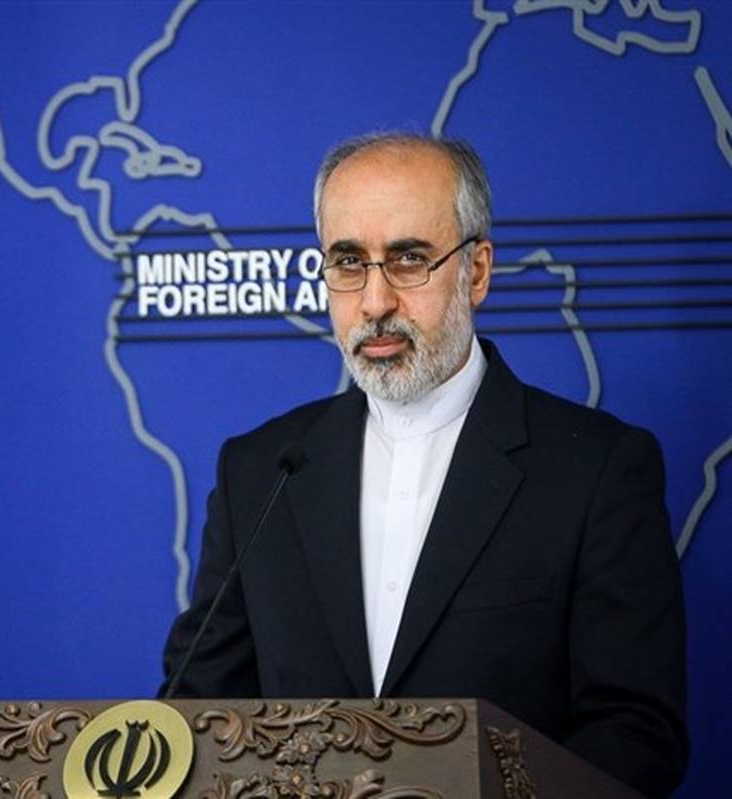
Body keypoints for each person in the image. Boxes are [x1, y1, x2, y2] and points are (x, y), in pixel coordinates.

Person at [160, 133, 687, 798]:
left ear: (477, 271)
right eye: (348, 262)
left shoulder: (597, 469)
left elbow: (636, 735)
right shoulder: (259, 472)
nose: (375, 301)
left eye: (409, 259)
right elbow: (196, 712)